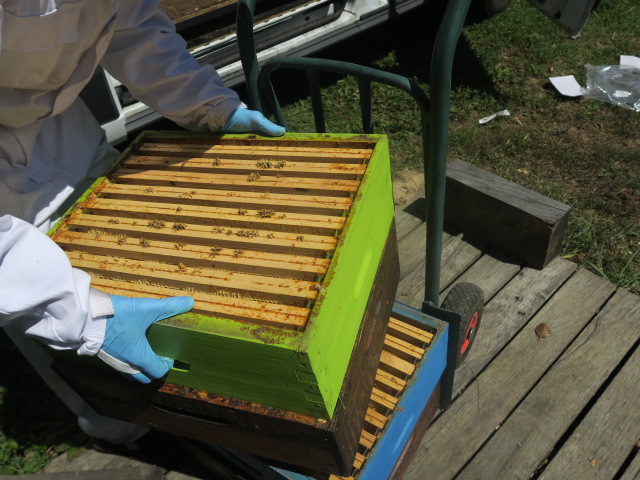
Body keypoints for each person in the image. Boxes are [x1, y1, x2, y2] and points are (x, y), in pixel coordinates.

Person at [0, 0, 285, 446]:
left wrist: (209, 104)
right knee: (47, 311)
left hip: (62, 129)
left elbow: (130, 24)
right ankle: (121, 425)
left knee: (141, 256)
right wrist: (84, 322)